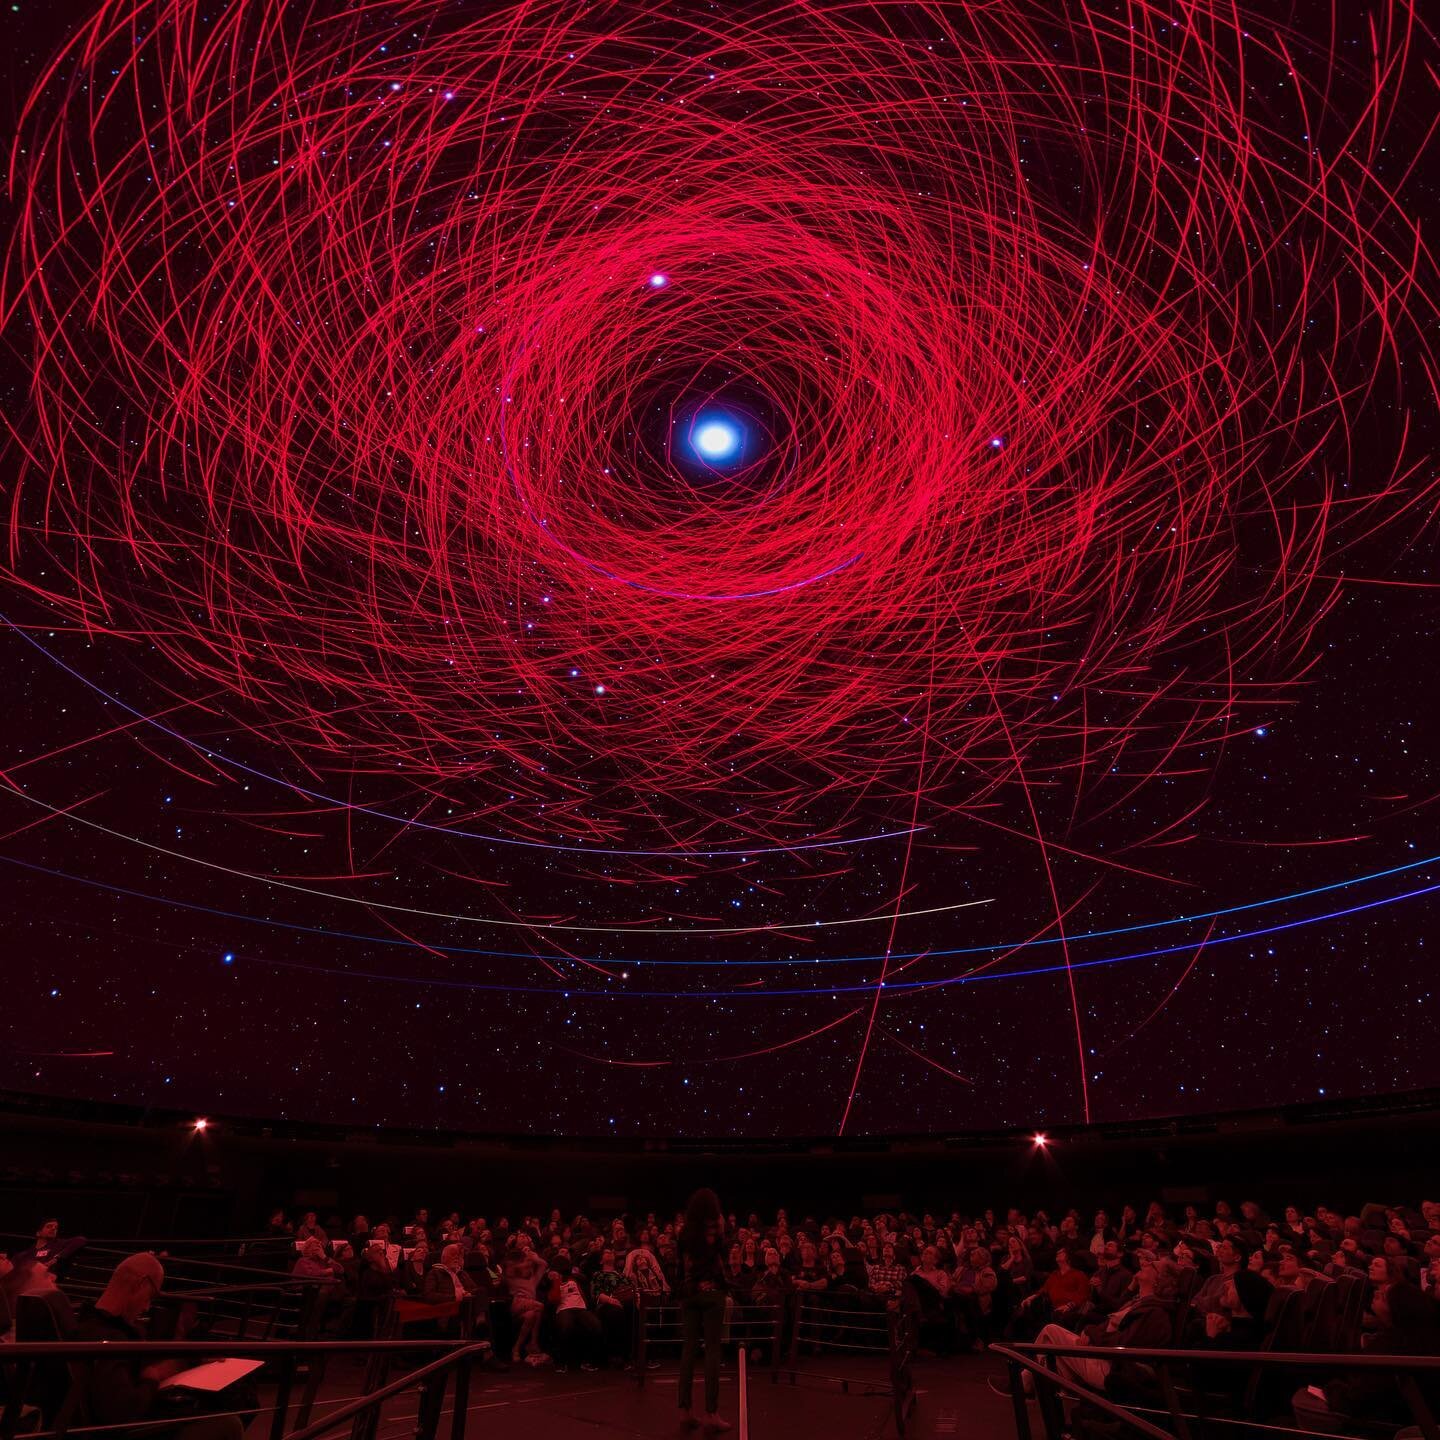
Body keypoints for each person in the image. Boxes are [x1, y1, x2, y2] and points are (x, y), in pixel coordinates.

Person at [73, 1254, 243, 1440]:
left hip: (130, 1421)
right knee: (227, 1423)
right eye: (151, 1296)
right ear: (141, 1284)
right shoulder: (110, 1339)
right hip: (132, 1429)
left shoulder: (89, 1324)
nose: (147, 1307)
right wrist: (151, 1380)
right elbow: (122, 1412)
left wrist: (193, 1361)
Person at [675, 1187, 731, 1432]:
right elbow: (722, 1256)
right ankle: (711, 1413)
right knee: (712, 1350)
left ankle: (685, 1411)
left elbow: (680, 1265)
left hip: (689, 1295)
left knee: (688, 1350)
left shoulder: (685, 1232)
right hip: (711, 1295)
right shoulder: (715, 1228)